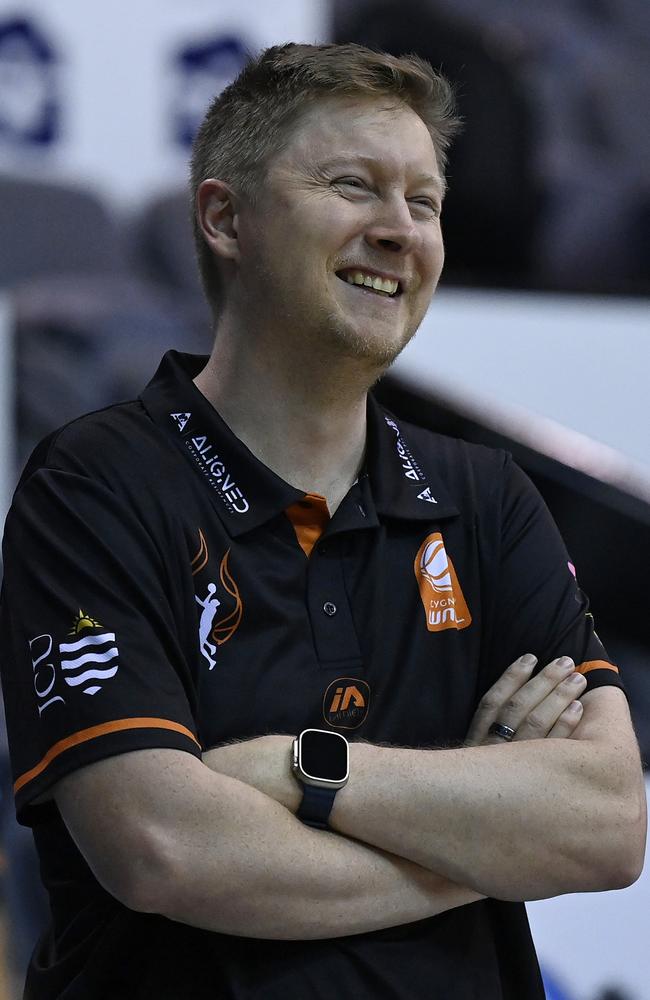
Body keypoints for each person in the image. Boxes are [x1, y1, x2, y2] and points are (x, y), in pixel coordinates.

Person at [0, 42, 645, 1000]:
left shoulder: (488, 497)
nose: (400, 231)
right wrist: (479, 836)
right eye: (355, 186)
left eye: (423, 203)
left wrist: (307, 770)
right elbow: (164, 849)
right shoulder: (94, 484)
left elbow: (607, 827)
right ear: (226, 218)